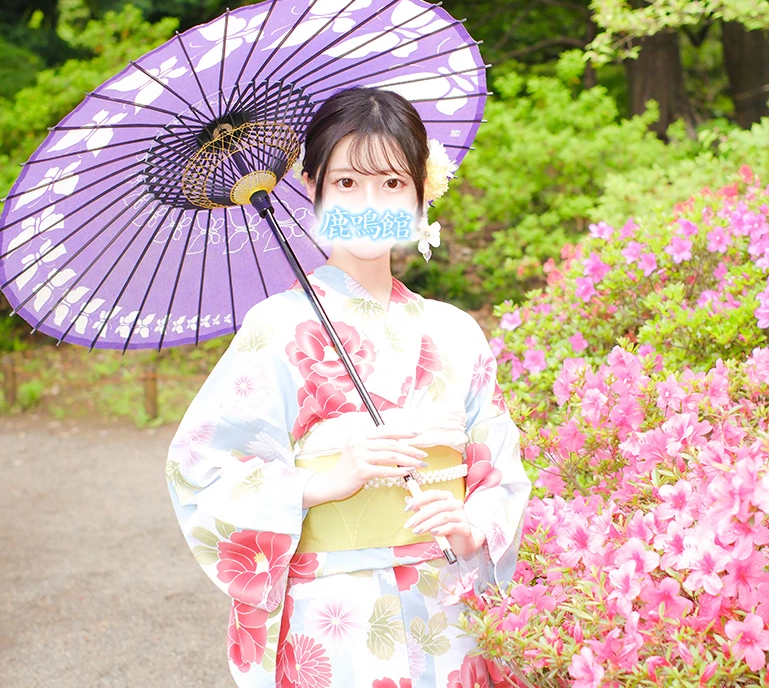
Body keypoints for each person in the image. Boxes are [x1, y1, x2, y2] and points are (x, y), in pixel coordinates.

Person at [165, 86, 532, 688]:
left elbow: (500, 470)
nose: (370, 204)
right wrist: (321, 482)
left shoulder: (457, 331)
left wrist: (472, 527)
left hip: (448, 606)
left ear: (421, 194)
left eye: (392, 185)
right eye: (347, 184)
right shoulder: (278, 327)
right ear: (311, 187)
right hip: (332, 616)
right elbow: (200, 469)